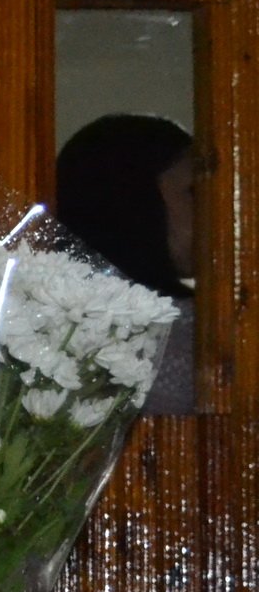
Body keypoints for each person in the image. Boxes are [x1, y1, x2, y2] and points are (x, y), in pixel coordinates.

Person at [56, 113, 199, 415]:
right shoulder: (192, 331)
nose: (217, 209)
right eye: (194, 193)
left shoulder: (46, 315)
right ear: (137, 201)